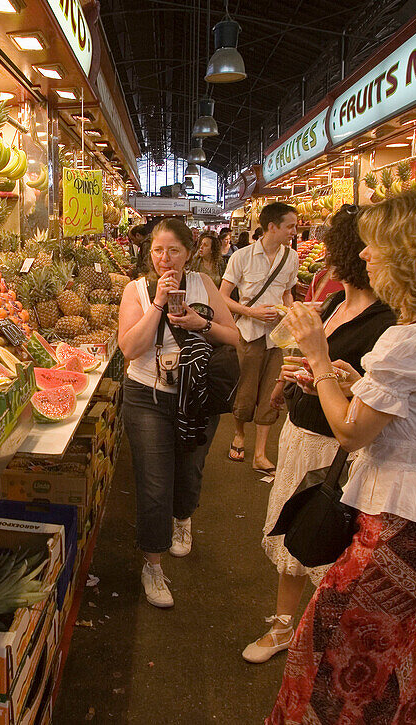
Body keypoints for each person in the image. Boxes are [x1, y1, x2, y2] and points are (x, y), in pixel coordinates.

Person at [266, 190, 416, 724]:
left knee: (330, 664)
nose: (364, 256)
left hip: (396, 526)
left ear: (413, 254)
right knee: (392, 671)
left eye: (376, 245)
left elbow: (349, 432)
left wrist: (319, 358)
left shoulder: (407, 340)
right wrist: (358, 382)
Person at [242, 205, 395, 664]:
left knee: (331, 547)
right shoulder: (331, 304)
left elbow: (363, 401)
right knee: (296, 539)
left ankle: (324, 638)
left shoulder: (385, 323)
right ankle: (284, 627)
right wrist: (287, 386)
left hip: (337, 451)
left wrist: (322, 369)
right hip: (300, 437)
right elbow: (318, 367)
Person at [117, 217, 239, 608]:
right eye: (157, 250)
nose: (164, 258)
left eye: (173, 250)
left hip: (197, 396)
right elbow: (130, 349)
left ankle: (183, 519)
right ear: (148, 253)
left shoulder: (205, 286)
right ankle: (152, 564)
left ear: (189, 253)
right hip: (147, 396)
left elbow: (233, 336)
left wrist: (199, 323)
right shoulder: (135, 290)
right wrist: (156, 304)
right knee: (153, 483)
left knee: (190, 469)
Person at [220, 203, 299, 472]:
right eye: (290, 226)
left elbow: (288, 292)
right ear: (271, 227)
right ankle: (239, 435)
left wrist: (288, 311)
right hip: (248, 333)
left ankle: (261, 453)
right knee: (245, 389)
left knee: (272, 392)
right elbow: (222, 297)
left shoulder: (292, 257)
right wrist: (250, 312)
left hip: (277, 337)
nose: (294, 231)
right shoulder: (241, 257)